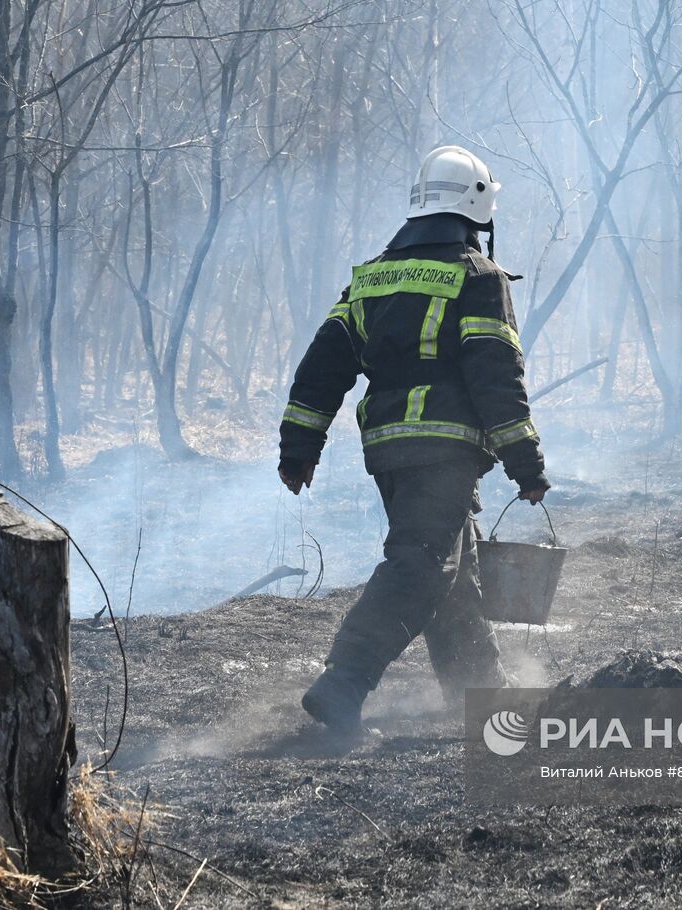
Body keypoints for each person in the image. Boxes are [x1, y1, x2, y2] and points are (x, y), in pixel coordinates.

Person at [277, 145, 549, 740]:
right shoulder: (477, 278)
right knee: (420, 566)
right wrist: (525, 460)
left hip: (389, 451)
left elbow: (322, 366)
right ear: (475, 205)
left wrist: (300, 445)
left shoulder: (371, 277)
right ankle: (343, 683)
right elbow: (495, 373)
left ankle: (478, 693)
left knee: (451, 572)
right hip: (445, 447)